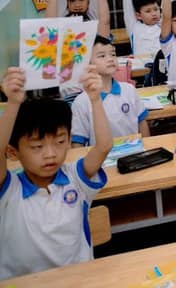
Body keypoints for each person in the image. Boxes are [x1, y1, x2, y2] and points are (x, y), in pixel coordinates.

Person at [0, 67, 111, 279]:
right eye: (37, 147)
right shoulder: (9, 190)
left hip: (79, 281)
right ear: (13, 152)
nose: (50, 154)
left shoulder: (75, 178)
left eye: (60, 142)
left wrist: (95, 100)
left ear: (69, 140)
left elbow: (104, 146)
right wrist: (13, 103)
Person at [71, 35, 149, 146]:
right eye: (102, 56)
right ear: (87, 64)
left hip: (134, 153)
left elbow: (142, 123)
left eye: (113, 54)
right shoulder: (81, 102)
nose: (110, 59)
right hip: (101, 156)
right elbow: (77, 142)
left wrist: (147, 148)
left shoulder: (129, 90)